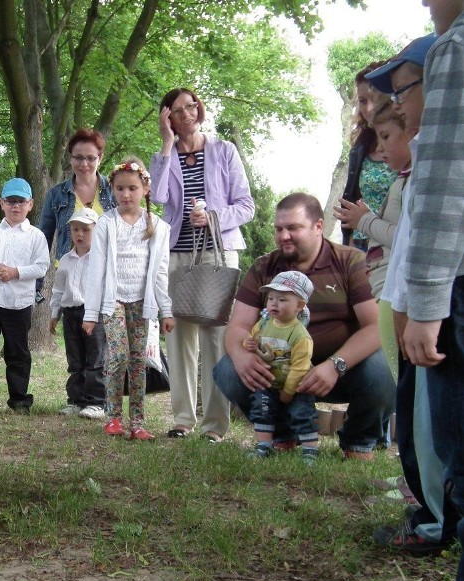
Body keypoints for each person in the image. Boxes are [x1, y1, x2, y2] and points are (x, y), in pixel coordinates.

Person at [360, 32, 458, 561]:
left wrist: (420, 310)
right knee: (418, 415)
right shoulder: (413, 173)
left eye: (404, 91)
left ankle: (438, 520)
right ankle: (431, 511)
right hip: (409, 310)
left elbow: (422, 243)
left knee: (434, 425)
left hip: (428, 313)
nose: (398, 104)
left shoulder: (434, 170)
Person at [213, 192, 395, 460]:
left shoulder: (350, 261)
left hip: (342, 370)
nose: (283, 236)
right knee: (228, 369)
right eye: (279, 229)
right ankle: (282, 434)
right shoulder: (263, 266)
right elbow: (237, 326)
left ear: (318, 226)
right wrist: (241, 355)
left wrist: (335, 365)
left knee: (384, 368)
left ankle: (359, 441)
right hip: (280, 369)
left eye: (293, 228)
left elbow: (375, 327)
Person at [393, 3, 464, 581]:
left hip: (458, 287)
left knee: (459, 442)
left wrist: (428, 302)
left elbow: (446, 182)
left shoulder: (455, 48)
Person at [150, 87, 254, 442]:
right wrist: (166, 144)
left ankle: (214, 426)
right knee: (178, 336)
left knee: (214, 337)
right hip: (176, 254)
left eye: (191, 106)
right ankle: (182, 418)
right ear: (168, 119)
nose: (187, 114)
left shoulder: (224, 151)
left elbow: (246, 206)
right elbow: (160, 196)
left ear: (200, 109)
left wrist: (212, 215)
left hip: (217, 254)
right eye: (177, 111)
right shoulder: (163, 156)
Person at [82, 158, 175, 441]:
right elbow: (96, 268)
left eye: (132, 188)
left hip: (141, 303)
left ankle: (137, 422)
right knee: (119, 356)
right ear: (111, 189)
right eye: (120, 188)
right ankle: (113, 417)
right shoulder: (106, 224)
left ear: (145, 189)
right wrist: (90, 312)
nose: (125, 194)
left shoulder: (157, 227)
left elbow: (160, 272)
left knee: (138, 360)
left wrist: (166, 310)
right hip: (114, 302)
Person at [334, 99, 415, 376]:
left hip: (398, 296)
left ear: (412, 132)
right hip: (386, 290)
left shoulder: (412, 182)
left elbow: (405, 238)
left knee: (403, 377)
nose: (379, 148)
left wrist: (364, 221)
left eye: (386, 137)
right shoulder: (401, 180)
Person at [0, 177, 50, 413]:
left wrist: (16, 272)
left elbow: (41, 267)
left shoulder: (36, 236)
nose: (16, 207)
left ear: (30, 204)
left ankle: (19, 400)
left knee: (18, 354)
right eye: (11, 201)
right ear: (2, 203)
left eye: (21, 202)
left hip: (18, 305)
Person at [242, 271, 317, 465]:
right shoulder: (265, 322)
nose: (274, 303)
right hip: (270, 381)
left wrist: (289, 391)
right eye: (271, 298)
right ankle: (264, 446)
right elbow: (255, 339)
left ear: (299, 306)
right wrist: (249, 345)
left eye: (282, 299)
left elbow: (300, 368)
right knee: (262, 409)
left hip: (298, 385)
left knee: (303, 414)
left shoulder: (300, 335)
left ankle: (310, 450)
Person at [36, 128, 116, 301]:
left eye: (90, 158)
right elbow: (43, 239)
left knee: (103, 326)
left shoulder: (114, 190)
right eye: (78, 157)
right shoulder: (55, 194)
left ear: (100, 158)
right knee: (73, 324)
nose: (84, 164)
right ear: (70, 158)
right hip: (70, 272)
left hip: (107, 271)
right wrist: (37, 283)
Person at [49, 208, 106, 420]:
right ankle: (76, 400)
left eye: (85, 230)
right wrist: (55, 313)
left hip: (93, 313)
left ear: (96, 231)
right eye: (75, 230)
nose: (79, 234)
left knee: (95, 359)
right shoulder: (65, 259)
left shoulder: (101, 259)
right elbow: (58, 288)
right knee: (75, 359)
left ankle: (97, 402)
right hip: (71, 313)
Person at [338, 61, 398, 251]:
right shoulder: (360, 147)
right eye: (362, 101)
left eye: (375, 98)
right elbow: (353, 199)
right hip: (361, 244)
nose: (369, 108)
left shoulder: (409, 144)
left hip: (392, 244)